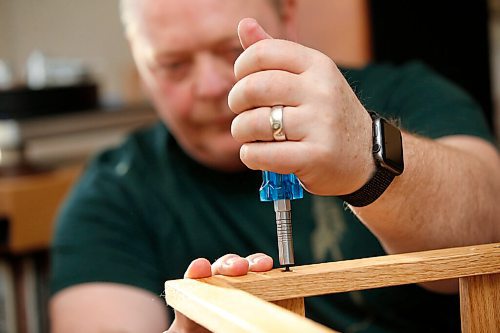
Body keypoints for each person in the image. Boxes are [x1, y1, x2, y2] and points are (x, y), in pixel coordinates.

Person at [49, 0, 500, 332]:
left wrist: (367, 152)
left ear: (288, 17)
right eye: (173, 65)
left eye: (231, 50)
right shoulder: (112, 194)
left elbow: (489, 227)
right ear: (138, 59)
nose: (209, 86)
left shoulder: (410, 96)